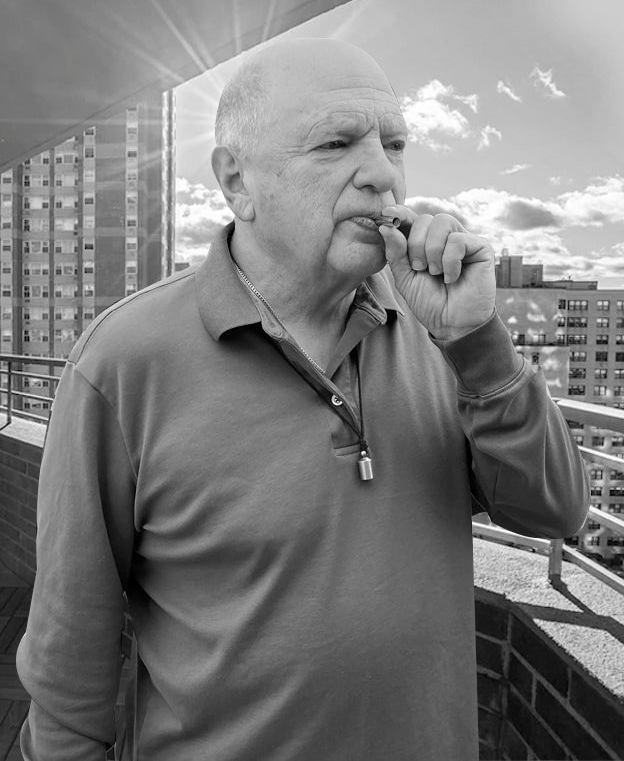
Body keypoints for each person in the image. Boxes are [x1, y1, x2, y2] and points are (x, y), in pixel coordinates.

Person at [17, 37, 589, 760]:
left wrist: (477, 342)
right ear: (236, 180)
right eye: (335, 142)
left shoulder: (440, 329)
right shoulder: (123, 362)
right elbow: (72, 656)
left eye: (394, 143)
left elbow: (555, 511)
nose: (383, 175)